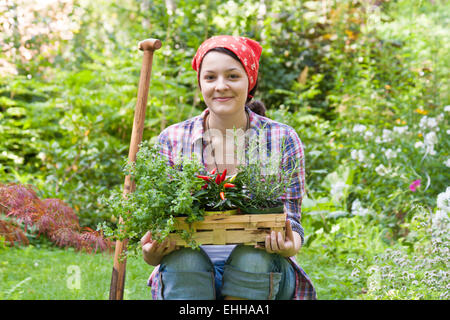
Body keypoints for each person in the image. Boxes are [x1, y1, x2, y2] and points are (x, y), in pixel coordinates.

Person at [142, 35, 316, 300]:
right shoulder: (173, 139)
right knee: (184, 260)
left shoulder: (281, 138)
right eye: (210, 77)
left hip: (263, 268)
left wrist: (290, 244)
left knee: (252, 257)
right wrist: (151, 252)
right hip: (188, 271)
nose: (220, 86)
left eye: (233, 76)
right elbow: (161, 223)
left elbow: (291, 219)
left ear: (250, 82)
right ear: (200, 83)